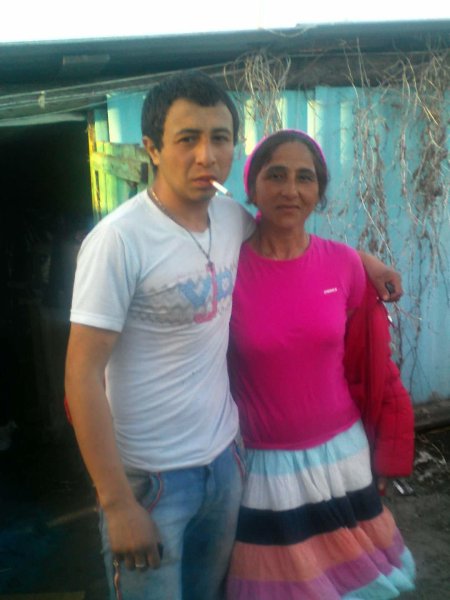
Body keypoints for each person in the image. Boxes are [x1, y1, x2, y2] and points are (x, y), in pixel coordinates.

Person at [65, 72, 403, 600]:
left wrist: (366, 262)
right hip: (151, 479)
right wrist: (116, 502)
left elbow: (288, 236)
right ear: (152, 148)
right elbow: (82, 375)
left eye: (219, 138)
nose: (206, 155)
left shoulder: (227, 219)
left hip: (226, 464)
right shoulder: (118, 241)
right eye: (187, 139)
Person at [226, 129, 415, 599]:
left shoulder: (345, 265)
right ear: (252, 187)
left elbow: (373, 365)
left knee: (353, 583)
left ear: (319, 190)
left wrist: (387, 448)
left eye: (305, 178)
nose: (291, 190)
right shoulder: (224, 269)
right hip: (265, 470)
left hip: (342, 457)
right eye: (276, 175)